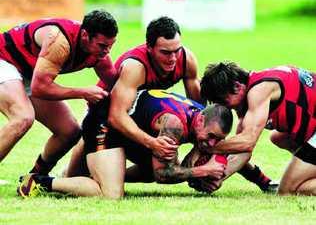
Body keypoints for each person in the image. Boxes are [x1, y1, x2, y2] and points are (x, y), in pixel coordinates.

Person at [64, 16, 275, 192]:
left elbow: (205, 115)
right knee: (126, 179)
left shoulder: (186, 60)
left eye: (177, 50)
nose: (173, 58)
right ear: (149, 48)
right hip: (105, 116)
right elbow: (116, 116)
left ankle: (95, 175)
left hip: (142, 117)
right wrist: (152, 143)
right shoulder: (135, 67)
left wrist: (259, 179)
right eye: (165, 52)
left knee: (156, 166)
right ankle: (55, 176)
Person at [17, 89, 232, 199]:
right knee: (111, 194)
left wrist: (203, 164)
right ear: (202, 120)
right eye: (211, 136)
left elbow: (180, 164)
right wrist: (204, 170)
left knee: (152, 167)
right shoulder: (174, 124)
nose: (212, 143)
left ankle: (93, 174)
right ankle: (38, 182)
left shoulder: (197, 114)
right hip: (104, 125)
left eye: (218, 140)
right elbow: (163, 176)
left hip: (126, 125)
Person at [0, 9, 119, 177]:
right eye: (102, 45)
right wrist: (83, 92)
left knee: (70, 131)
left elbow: (115, 83)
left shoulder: (99, 53)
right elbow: (40, 88)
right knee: (23, 118)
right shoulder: (59, 41)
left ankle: (35, 178)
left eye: (111, 45)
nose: (107, 51)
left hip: (29, 73)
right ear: (85, 35)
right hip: (3, 60)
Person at [200, 61, 316, 195]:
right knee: (278, 137)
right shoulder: (250, 92)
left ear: (237, 87)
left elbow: (247, 142)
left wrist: (206, 146)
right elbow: (241, 152)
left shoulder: (259, 91)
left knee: (287, 191)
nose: (227, 108)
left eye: (224, 102)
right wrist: (217, 177)